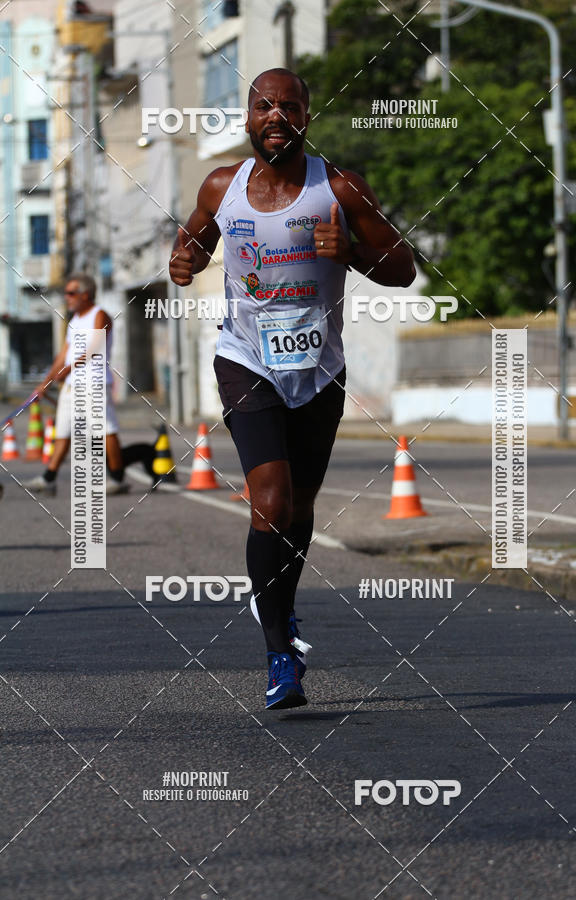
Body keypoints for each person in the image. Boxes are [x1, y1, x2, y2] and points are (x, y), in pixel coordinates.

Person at [169, 68, 416, 710]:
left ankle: (284, 608)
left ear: (307, 116)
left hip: (320, 369)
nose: (275, 115)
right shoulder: (223, 186)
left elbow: (404, 268)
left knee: (301, 509)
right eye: (264, 106)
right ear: (249, 119)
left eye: (289, 106)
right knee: (270, 503)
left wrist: (353, 254)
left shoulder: (337, 187)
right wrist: (184, 258)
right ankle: (279, 650)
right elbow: (194, 235)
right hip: (244, 358)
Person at [24, 273, 130, 496]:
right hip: (72, 387)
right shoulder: (74, 321)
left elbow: (94, 347)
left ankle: (118, 479)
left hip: (94, 384)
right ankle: (49, 478)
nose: (67, 297)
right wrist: (44, 384)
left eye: (71, 293)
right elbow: (63, 356)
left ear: (85, 294)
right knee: (63, 431)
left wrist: (67, 369)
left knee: (106, 430)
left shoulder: (99, 315)